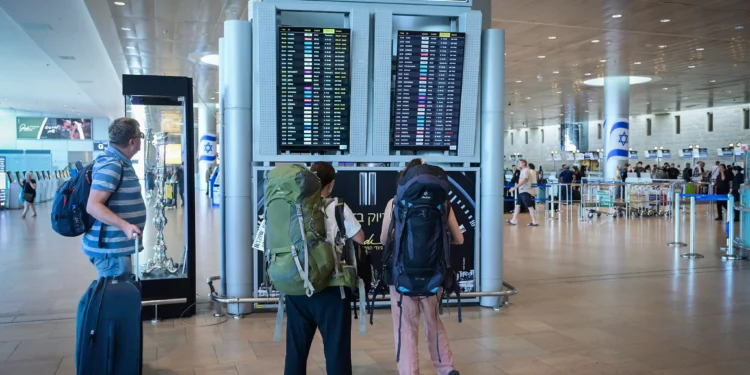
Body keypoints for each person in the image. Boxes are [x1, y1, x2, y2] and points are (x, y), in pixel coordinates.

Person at [379, 158, 463, 375]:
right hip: (434, 274)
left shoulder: (394, 203)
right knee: (433, 322)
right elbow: (459, 239)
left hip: (402, 275)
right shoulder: (443, 204)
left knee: (405, 326)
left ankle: (409, 371)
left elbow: (383, 240)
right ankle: (446, 368)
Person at [282, 162, 365, 375]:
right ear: (332, 183)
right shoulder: (337, 207)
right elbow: (360, 238)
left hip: (297, 285)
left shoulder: (291, 205)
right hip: (331, 287)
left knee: (295, 351)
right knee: (336, 350)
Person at [83, 117, 146, 278]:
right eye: (141, 136)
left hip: (117, 246)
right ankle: (88, 305)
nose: (141, 140)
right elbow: (93, 205)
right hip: (111, 249)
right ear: (132, 142)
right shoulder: (111, 164)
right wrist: (125, 226)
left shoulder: (119, 162)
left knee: (112, 294)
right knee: (113, 298)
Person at [507, 159, 539, 226]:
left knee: (530, 206)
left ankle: (534, 221)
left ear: (523, 163)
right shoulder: (523, 171)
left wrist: (515, 187)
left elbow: (524, 179)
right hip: (522, 191)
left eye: (520, 163)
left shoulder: (526, 170)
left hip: (525, 190)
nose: (519, 164)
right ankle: (513, 220)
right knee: (517, 205)